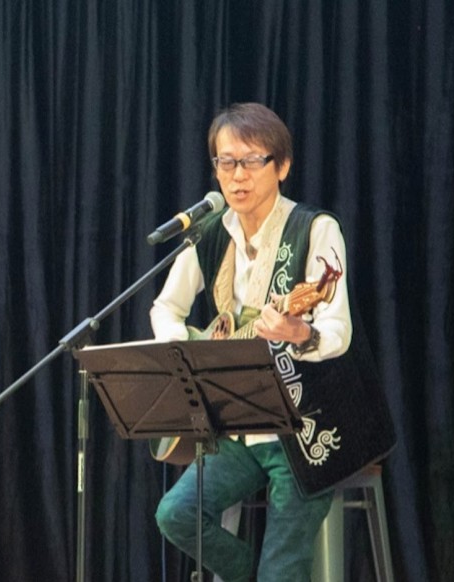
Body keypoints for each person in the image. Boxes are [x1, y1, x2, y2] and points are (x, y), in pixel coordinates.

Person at [151, 103, 353, 581]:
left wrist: (300, 333)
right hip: (238, 427)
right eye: (226, 162)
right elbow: (165, 307)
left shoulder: (315, 229)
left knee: (282, 568)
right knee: (175, 514)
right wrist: (186, 353)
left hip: (306, 430)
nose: (237, 175)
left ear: (282, 166)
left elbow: (338, 332)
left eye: (251, 161)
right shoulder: (209, 234)